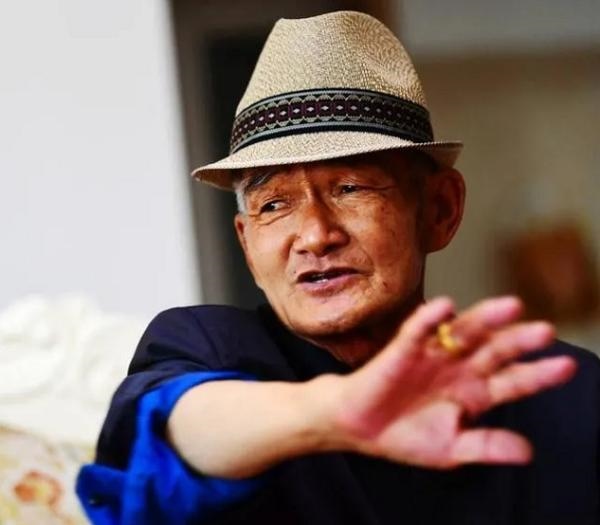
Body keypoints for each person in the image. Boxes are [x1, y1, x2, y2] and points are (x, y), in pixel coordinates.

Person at [76, 11, 600, 525]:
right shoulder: (207, 345)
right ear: (247, 243)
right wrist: (335, 410)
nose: (315, 235)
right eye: (273, 204)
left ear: (439, 210)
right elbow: (170, 433)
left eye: (350, 187)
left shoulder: (567, 391)